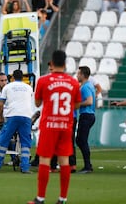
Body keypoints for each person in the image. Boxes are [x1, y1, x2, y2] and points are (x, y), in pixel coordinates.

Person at [28, 50, 81, 204]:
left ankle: (40, 198)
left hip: (49, 125)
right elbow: (76, 104)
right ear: (65, 64)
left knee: (44, 160)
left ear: (52, 62)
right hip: (65, 125)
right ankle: (62, 199)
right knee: (64, 161)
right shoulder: (73, 82)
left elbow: (37, 103)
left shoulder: (44, 81)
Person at [0, 69, 34, 174]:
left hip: (12, 116)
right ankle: (25, 167)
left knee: (4, 140)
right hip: (26, 116)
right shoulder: (29, 88)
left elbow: (0, 105)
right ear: (22, 78)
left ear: (12, 78)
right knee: (25, 143)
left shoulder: (7, 87)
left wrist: (0, 118)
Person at [76, 66, 96, 174]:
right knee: (80, 140)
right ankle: (88, 165)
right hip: (88, 115)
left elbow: (89, 101)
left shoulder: (85, 87)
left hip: (87, 115)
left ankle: (88, 166)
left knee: (81, 140)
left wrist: (77, 104)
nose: (77, 75)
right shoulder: (88, 85)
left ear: (83, 75)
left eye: (78, 74)